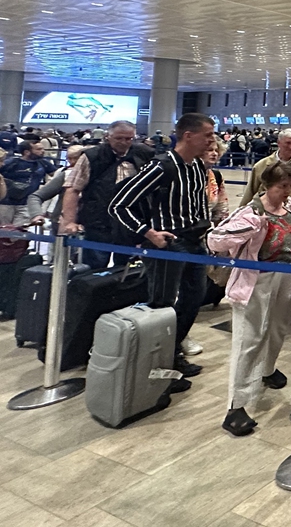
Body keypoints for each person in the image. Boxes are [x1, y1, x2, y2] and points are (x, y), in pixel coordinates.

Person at [207, 161, 291, 436]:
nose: (288, 191)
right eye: (282, 186)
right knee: (249, 341)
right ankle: (236, 405)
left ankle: (267, 370)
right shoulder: (250, 212)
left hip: (287, 279)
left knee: (277, 331)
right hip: (255, 283)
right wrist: (247, 229)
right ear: (268, 185)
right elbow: (215, 239)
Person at [109, 113, 216, 386]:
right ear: (188, 135)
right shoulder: (161, 166)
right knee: (162, 304)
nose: (212, 140)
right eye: (207, 135)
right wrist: (148, 232)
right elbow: (119, 204)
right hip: (169, 243)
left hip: (195, 241)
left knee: (194, 298)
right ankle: (154, 366)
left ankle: (172, 352)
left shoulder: (197, 166)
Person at [59, 121, 155, 269]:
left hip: (132, 223)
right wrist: (70, 221)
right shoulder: (92, 156)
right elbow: (73, 189)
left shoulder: (145, 154)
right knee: (93, 269)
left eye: (128, 138)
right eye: (119, 138)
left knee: (128, 271)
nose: (124, 142)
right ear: (107, 137)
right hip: (97, 222)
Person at [0, 140, 56, 226]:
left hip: (27, 204)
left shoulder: (44, 164)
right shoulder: (10, 163)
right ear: (27, 152)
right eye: (38, 149)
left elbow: (56, 175)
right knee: (3, 229)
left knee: (20, 231)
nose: (42, 151)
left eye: (42, 149)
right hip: (6, 204)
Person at [27, 145, 85, 228]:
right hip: (61, 222)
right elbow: (37, 196)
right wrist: (38, 214)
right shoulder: (65, 173)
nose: (72, 161)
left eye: (76, 158)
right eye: (69, 158)